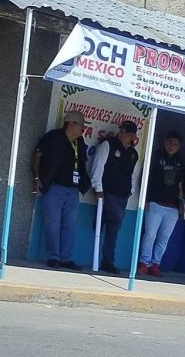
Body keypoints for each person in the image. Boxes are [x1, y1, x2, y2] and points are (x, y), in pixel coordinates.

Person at [33, 110, 91, 271]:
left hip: (72, 190)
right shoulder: (52, 137)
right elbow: (37, 156)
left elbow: (83, 164)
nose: (83, 128)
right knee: (52, 224)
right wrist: (37, 178)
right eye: (81, 125)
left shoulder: (80, 142)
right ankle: (53, 257)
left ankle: (66, 258)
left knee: (70, 225)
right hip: (53, 188)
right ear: (71, 124)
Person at [89, 120, 140, 275]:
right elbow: (98, 166)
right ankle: (102, 217)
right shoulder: (108, 145)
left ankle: (108, 261)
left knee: (114, 229)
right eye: (122, 131)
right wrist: (98, 188)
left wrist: (130, 190)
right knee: (117, 217)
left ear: (132, 136)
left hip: (122, 195)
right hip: (107, 192)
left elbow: (133, 174)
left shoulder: (133, 153)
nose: (123, 135)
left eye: (127, 133)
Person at [139, 131, 185, 277]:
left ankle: (156, 264)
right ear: (164, 141)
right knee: (150, 234)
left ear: (179, 146)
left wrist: (182, 197)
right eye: (170, 142)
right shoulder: (155, 157)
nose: (171, 146)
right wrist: (146, 198)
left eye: (175, 144)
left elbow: (184, 184)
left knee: (164, 238)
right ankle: (144, 263)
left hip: (173, 207)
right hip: (155, 203)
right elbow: (145, 177)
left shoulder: (181, 162)